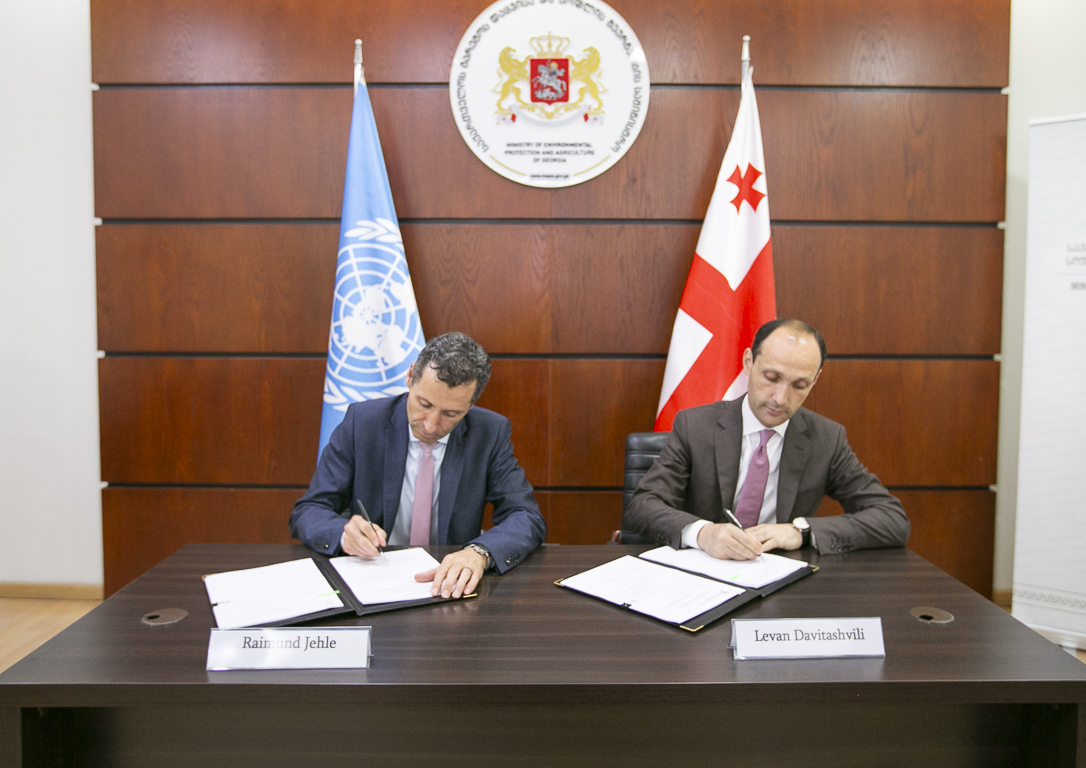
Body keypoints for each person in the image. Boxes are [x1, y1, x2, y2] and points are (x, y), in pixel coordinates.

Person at [625, 318, 909, 560]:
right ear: (748, 361)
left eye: (799, 385)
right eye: (771, 377)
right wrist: (702, 533)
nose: (780, 398)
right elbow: (643, 505)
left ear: (815, 380)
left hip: (779, 580)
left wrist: (801, 531)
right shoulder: (695, 426)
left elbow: (892, 519)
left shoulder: (826, 439)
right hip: (699, 576)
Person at [291, 332, 546, 598]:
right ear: (410, 376)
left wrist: (478, 553)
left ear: (471, 404)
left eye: (450, 414)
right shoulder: (363, 423)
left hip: (449, 587)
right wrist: (344, 534)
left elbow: (525, 515)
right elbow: (309, 510)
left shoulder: (489, 433)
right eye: (424, 404)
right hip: (374, 580)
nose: (431, 425)